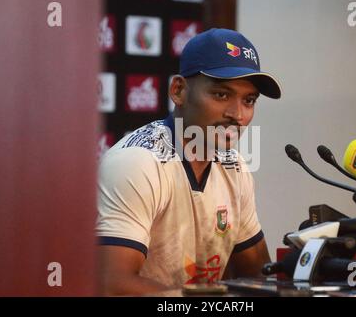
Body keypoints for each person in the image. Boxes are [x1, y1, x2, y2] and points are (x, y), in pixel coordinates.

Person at [96, 28, 282, 296]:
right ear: (179, 90)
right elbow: (112, 285)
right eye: (221, 95)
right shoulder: (137, 162)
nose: (237, 115)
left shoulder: (235, 167)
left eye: (249, 100)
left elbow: (258, 275)